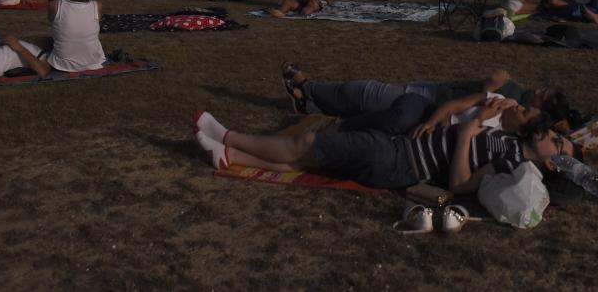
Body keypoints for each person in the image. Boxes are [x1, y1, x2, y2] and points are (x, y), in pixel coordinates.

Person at [193, 107, 577, 194]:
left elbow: (460, 184)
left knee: (306, 144)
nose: (552, 135)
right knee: (306, 158)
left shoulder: (515, 165)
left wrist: (465, 134)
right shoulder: (512, 142)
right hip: (398, 153)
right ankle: (232, 157)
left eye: (558, 143)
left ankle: (229, 136)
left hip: (398, 161)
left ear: (552, 162)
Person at [281, 64, 572, 126]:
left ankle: (308, 87)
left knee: (366, 92)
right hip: (437, 89)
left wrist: (490, 86)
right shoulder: (520, 95)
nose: (539, 90)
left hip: (434, 106)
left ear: (541, 109)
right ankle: (309, 105)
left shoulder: (515, 110)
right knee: (368, 103)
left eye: (543, 95)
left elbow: (466, 107)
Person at [46, 0, 106, 72]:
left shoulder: (55, 6)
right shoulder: (97, 6)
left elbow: (52, 22)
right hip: (92, 61)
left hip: (62, 63)